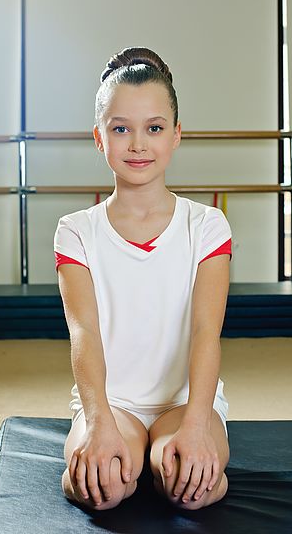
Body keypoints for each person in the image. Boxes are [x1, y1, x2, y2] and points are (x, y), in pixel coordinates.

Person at [54, 46, 233, 512]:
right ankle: (116, 456)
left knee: (190, 488)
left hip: (184, 402)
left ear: (176, 135)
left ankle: (172, 455)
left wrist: (197, 422)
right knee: (103, 488)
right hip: (115, 403)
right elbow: (84, 333)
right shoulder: (76, 230)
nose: (138, 144)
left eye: (154, 128)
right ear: (99, 137)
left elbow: (205, 332)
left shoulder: (207, 225)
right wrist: (96, 422)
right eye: (121, 129)